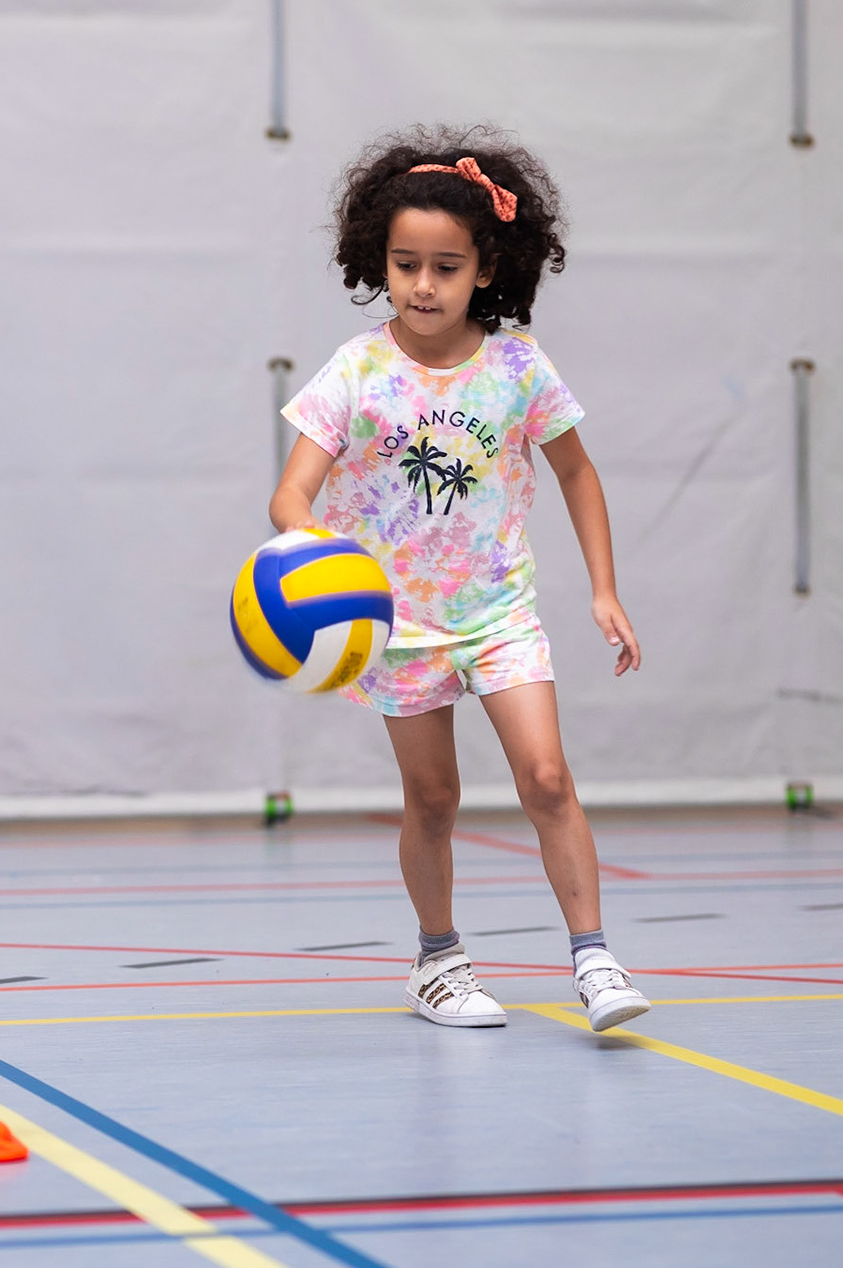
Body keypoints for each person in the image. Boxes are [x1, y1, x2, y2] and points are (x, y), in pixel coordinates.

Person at [269, 125, 649, 1033]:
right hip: (398, 625)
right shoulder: (358, 368)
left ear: (486, 269)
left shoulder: (517, 367)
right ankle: (437, 961)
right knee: (433, 798)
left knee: (547, 776)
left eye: (446, 266)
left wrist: (603, 588)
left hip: (498, 613)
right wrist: (313, 548)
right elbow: (290, 493)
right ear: (379, 260)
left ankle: (594, 958)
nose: (423, 285)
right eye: (406, 264)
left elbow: (577, 474)